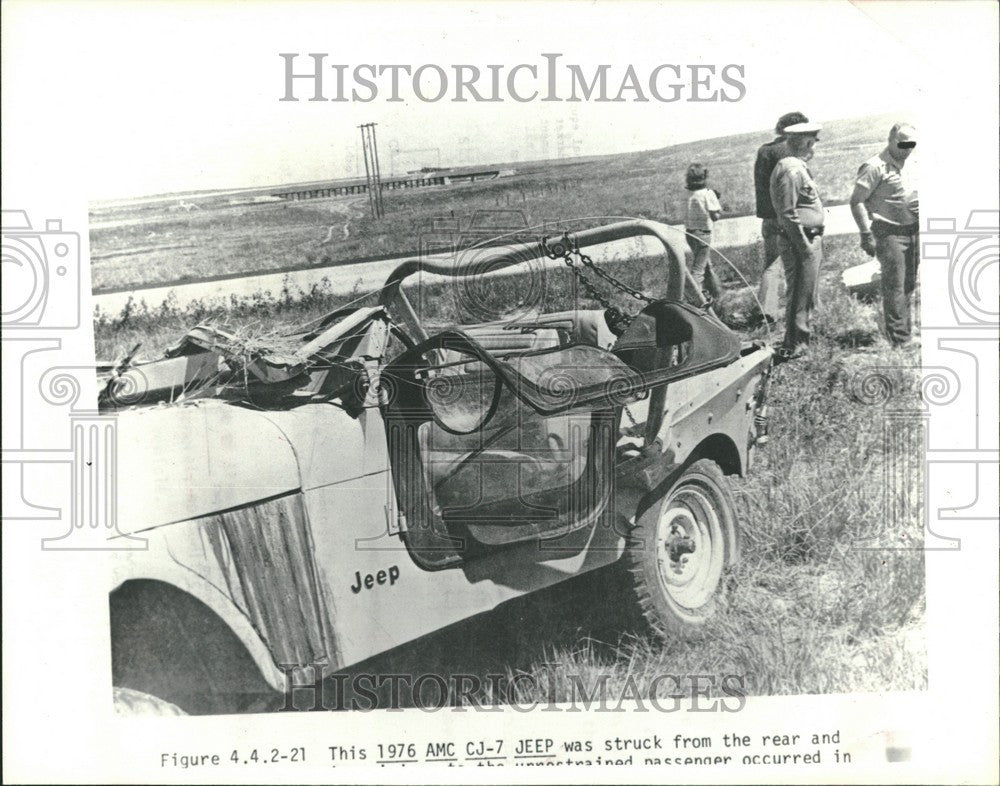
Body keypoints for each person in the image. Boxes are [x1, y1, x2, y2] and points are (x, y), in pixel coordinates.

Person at [849, 122, 920, 348]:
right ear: (891, 141)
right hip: (889, 233)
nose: (908, 148)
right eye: (903, 143)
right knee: (895, 285)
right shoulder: (874, 167)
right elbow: (857, 201)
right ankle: (899, 339)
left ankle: (905, 330)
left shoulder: (912, 164)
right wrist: (865, 234)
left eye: (912, 144)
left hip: (913, 230)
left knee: (909, 283)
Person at [769, 122, 824, 360]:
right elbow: (788, 213)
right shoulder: (792, 170)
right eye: (812, 143)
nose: (814, 148)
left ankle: (800, 341)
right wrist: (804, 247)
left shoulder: (795, 167)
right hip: (801, 241)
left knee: (805, 293)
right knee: (800, 295)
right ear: (807, 143)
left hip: (808, 239)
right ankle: (794, 345)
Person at [753, 111, 810, 325]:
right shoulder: (791, 152)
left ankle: (768, 311)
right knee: (801, 262)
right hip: (789, 216)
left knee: (772, 263)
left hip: (769, 217)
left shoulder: (764, 151)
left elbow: (762, 188)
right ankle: (800, 310)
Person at [684, 162, 723, 303]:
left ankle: (714, 293)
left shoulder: (688, 193)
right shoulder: (708, 193)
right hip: (704, 234)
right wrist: (717, 205)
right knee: (698, 269)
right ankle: (694, 299)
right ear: (704, 177)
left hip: (689, 233)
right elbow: (715, 217)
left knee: (705, 264)